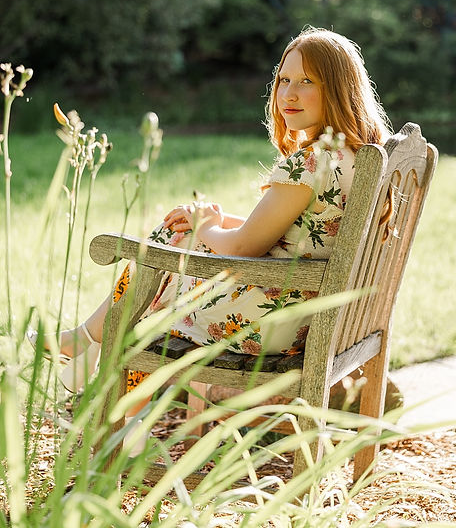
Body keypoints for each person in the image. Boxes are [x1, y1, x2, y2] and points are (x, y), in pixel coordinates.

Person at [29, 27, 392, 396]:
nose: (288, 94)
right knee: (178, 237)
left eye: (306, 81)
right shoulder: (355, 156)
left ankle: (95, 358)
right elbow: (299, 234)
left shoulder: (310, 163)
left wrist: (203, 226)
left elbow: (241, 250)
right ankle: (89, 352)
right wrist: (212, 224)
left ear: (337, 87)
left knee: (162, 259)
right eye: (284, 79)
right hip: (302, 314)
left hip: (266, 320)